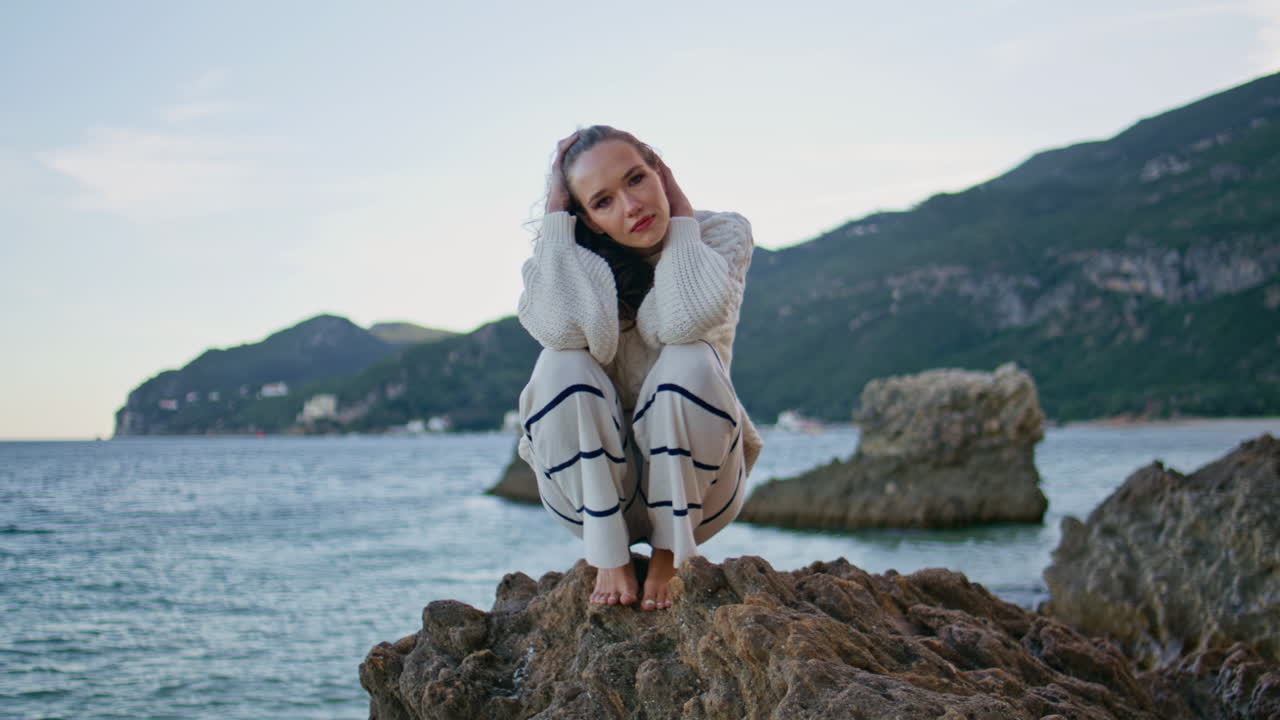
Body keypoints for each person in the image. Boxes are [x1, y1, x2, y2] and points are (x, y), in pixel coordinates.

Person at [516, 125, 762, 611]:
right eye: (602, 202)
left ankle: (670, 554)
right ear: (582, 216)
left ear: (660, 171)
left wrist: (683, 218)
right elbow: (563, 332)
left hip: (700, 493)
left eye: (636, 179)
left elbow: (683, 319)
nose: (631, 206)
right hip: (590, 499)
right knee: (559, 361)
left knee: (689, 354)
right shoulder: (562, 261)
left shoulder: (719, 236)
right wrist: (556, 223)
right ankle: (610, 556)